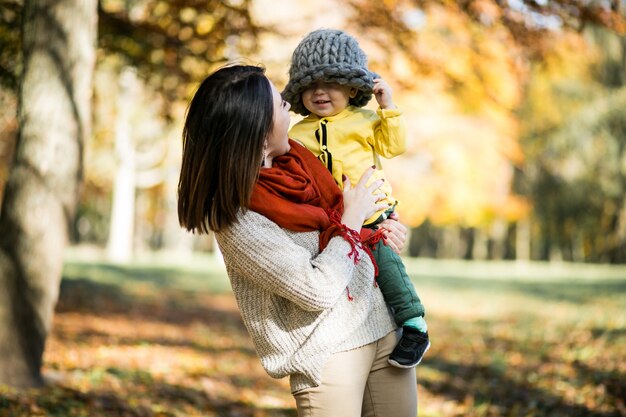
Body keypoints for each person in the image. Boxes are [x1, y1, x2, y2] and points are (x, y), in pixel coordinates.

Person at [177, 64, 418, 416]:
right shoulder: (238, 219)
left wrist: (385, 228)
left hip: (383, 328)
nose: (290, 108)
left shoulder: (303, 164)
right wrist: (351, 220)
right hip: (328, 355)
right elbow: (314, 288)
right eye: (280, 105)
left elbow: (352, 232)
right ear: (259, 135)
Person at [282, 29, 430, 368]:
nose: (320, 92)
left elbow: (394, 147)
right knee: (340, 271)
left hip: (371, 213)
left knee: (386, 265)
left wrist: (388, 108)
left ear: (352, 88)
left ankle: (414, 323)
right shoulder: (297, 133)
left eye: (331, 82)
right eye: (310, 85)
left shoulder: (365, 120)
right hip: (332, 218)